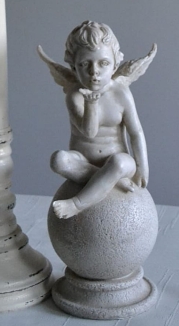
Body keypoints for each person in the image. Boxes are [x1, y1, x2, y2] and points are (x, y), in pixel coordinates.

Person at [38, 21, 156, 219]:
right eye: (85, 64)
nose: (94, 72)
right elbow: (89, 132)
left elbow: (136, 132)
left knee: (119, 163)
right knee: (58, 160)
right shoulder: (75, 96)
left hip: (118, 160)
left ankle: (77, 203)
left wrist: (143, 166)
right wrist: (91, 104)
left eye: (104, 63)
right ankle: (112, 181)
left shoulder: (121, 93)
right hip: (82, 161)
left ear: (115, 64)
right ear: (73, 67)